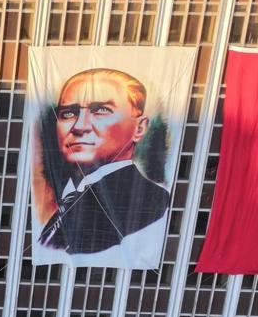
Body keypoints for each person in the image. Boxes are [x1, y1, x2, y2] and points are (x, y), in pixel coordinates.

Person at [37, 67, 172, 262]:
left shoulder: (150, 201)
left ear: (139, 128)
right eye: (68, 113)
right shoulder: (69, 195)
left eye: (101, 110)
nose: (80, 126)